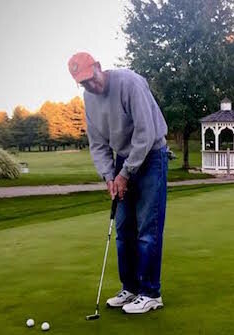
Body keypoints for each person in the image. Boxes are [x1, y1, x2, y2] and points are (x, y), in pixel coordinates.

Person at [68, 52, 169, 314]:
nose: (91, 86)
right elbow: (98, 144)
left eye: (91, 78)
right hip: (123, 160)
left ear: (99, 67)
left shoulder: (129, 83)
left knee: (147, 229)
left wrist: (125, 173)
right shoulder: (89, 99)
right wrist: (109, 177)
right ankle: (131, 288)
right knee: (123, 229)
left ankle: (150, 293)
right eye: (84, 83)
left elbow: (145, 134)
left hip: (151, 156)